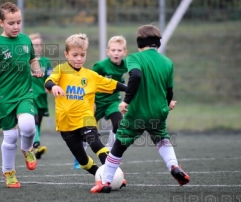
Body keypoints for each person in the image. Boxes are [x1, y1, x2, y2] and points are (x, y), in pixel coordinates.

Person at [90, 25, 190, 193]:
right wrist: (168, 102)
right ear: (158, 44)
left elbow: (135, 76)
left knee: (119, 145)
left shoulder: (134, 58)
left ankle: (106, 181)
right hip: (159, 112)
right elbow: (169, 89)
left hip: (137, 113)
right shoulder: (167, 62)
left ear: (139, 43)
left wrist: (126, 101)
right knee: (161, 138)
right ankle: (173, 166)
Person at [0, 2, 44, 188]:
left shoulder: (25, 40)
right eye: (11, 23)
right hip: (3, 97)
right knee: (10, 137)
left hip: (24, 93)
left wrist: (37, 70)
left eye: (19, 22)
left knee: (28, 125)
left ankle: (27, 149)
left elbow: (32, 59)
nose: (16, 26)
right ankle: (9, 172)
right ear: (1, 23)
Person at [44, 33, 127, 177]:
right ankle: (99, 175)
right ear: (66, 54)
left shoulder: (90, 75)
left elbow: (111, 84)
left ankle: (112, 175)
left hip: (86, 117)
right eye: (75, 55)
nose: (78, 58)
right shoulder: (61, 70)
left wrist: (131, 89)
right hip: (65, 123)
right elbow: (48, 81)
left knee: (96, 144)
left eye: (82, 55)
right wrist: (54, 86)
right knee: (82, 160)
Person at [72, 35, 128, 169]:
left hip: (113, 102)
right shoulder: (100, 66)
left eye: (119, 50)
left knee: (119, 124)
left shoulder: (127, 65)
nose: (116, 53)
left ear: (124, 52)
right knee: (86, 129)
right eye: (113, 50)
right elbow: (88, 81)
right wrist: (89, 101)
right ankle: (79, 158)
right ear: (108, 51)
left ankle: (110, 153)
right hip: (96, 102)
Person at [29, 33, 53, 159]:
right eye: (33, 45)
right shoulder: (25, 61)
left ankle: (34, 149)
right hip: (29, 95)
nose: (36, 47)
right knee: (34, 120)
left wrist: (49, 86)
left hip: (41, 97)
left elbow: (49, 78)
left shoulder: (46, 62)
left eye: (38, 45)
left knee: (37, 123)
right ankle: (36, 143)